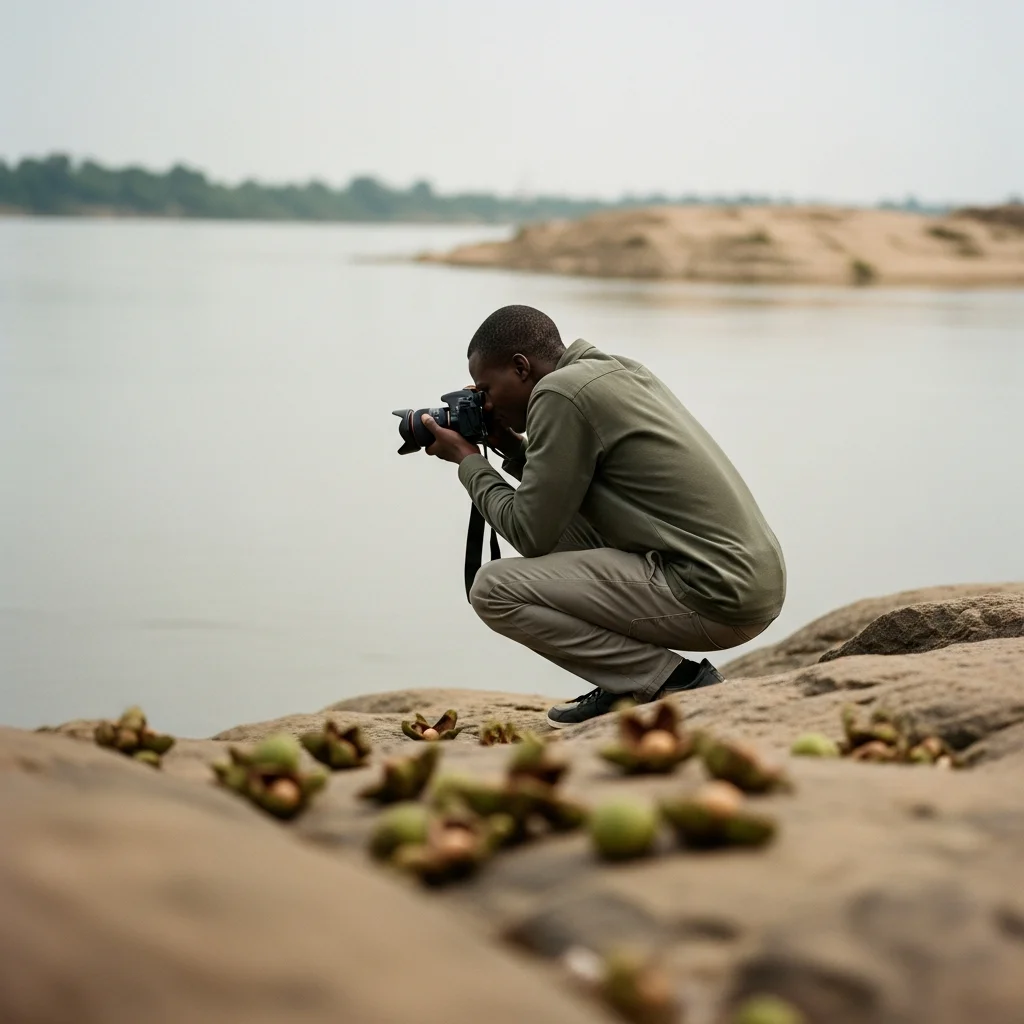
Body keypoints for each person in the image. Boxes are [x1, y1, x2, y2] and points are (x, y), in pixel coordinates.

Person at [420, 304, 786, 728]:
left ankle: (668, 681)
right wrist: (508, 444)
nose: (485, 402)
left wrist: (468, 461)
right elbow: (559, 501)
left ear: (520, 367)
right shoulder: (612, 371)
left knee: (493, 589)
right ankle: (629, 680)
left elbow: (528, 532)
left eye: (486, 389)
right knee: (557, 528)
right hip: (747, 583)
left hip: (715, 595)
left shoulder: (558, 394)